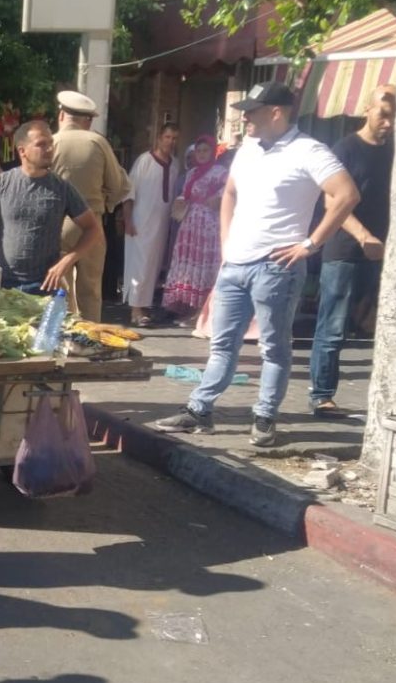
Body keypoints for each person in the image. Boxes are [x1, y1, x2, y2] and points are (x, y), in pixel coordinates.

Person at [152, 82, 360, 447]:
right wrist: (226, 244)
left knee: (274, 347)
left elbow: (347, 194)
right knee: (222, 343)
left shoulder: (308, 150)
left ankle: (264, 416)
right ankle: (199, 410)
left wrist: (310, 244)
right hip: (236, 263)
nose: (245, 117)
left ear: (276, 112)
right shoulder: (248, 148)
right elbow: (230, 193)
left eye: (252, 111)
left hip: (275, 266)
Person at [308, 85, 396, 417]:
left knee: (376, 325)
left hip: (384, 251)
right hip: (345, 250)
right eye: (383, 115)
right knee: (333, 326)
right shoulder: (345, 149)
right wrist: (364, 237)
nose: (388, 123)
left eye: (394, 117)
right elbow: (332, 201)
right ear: (366, 110)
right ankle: (322, 394)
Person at [0, 119, 104, 294]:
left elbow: (92, 229)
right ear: (22, 151)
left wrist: (67, 261)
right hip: (4, 284)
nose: (49, 149)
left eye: (50, 143)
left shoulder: (61, 188)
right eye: (41, 144)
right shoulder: (3, 183)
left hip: (45, 286)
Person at [52, 90, 131, 322]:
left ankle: (63, 335)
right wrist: (106, 203)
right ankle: (90, 336)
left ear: (61, 115)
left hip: (57, 223)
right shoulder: (98, 142)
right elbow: (118, 185)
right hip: (92, 221)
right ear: (87, 120)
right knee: (91, 289)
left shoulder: (51, 143)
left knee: (61, 287)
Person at [124, 123, 182, 326]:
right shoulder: (145, 161)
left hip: (162, 224)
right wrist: (128, 220)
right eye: (167, 137)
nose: (171, 142)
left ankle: (145, 306)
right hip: (141, 221)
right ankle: (135, 310)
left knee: (154, 266)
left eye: (174, 138)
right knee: (139, 265)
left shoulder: (175, 165)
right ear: (159, 138)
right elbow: (129, 192)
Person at [164, 136, 228, 318]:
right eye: (198, 151)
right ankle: (188, 307)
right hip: (190, 221)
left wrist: (217, 197)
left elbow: (231, 189)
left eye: (205, 150)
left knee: (204, 261)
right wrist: (180, 201)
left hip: (209, 222)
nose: (201, 154)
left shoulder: (220, 171)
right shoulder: (192, 173)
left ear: (213, 152)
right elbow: (186, 194)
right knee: (188, 261)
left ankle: (203, 310)